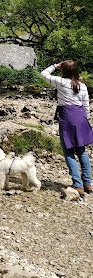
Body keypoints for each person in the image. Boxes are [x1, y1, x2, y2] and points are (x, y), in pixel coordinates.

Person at [41, 60, 93, 197]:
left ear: (64, 71)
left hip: (67, 117)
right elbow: (86, 107)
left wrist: (55, 66)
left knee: (69, 151)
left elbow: (43, 74)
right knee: (81, 150)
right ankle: (88, 183)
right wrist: (83, 121)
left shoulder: (61, 82)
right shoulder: (82, 86)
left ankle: (78, 184)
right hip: (80, 117)